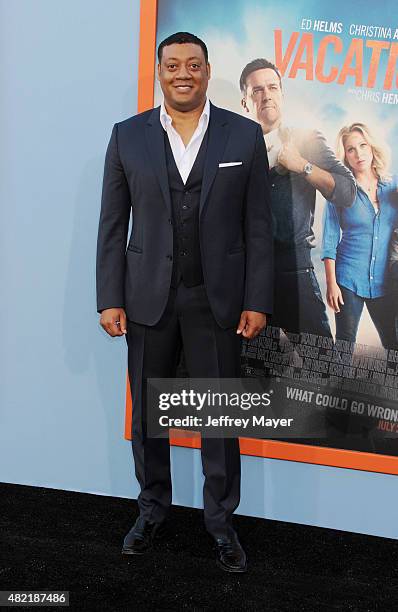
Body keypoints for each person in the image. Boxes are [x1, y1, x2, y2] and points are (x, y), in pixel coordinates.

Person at [96, 32, 273, 573]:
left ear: (207, 70)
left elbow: (260, 228)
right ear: (158, 70)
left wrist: (257, 299)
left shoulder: (243, 137)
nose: (183, 74)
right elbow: (111, 226)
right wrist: (109, 297)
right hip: (146, 299)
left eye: (193, 65)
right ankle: (151, 512)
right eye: (172, 65)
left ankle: (221, 526)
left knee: (219, 421)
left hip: (217, 301)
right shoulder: (128, 137)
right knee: (149, 420)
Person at [239, 58, 356, 345]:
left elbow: (347, 191)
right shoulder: (233, 148)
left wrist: (302, 164)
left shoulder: (307, 140)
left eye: (272, 87)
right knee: (254, 377)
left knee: (323, 371)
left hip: (295, 274)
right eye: (257, 90)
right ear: (244, 101)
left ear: (282, 94)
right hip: (247, 280)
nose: (266, 95)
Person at [322, 122, 398, 349]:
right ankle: (337, 386)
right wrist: (331, 284)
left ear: (372, 146)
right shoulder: (339, 189)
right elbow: (329, 239)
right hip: (348, 280)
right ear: (345, 156)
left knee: (393, 345)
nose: (358, 153)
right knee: (345, 345)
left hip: (385, 281)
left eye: (363, 145)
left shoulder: (393, 186)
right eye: (351, 149)